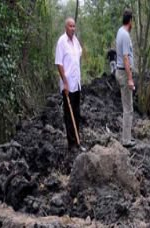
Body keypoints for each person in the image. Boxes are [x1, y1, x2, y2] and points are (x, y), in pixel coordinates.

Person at [55, 17, 86, 152]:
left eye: (74, 26)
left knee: (77, 112)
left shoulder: (75, 41)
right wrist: (65, 82)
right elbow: (59, 63)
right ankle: (71, 144)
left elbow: (79, 55)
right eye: (70, 26)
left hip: (76, 83)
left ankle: (77, 140)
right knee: (69, 114)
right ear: (65, 27)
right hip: (68, 85)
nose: (73, 28)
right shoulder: (62, 42)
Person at [115, 9, 136, 148]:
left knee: (128, 107)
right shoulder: (125, 35)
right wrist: (130, 78)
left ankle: (127, 137)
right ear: (130, 21)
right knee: (128, 109)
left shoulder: (120, 31)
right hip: (123, 73)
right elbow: (125, 58)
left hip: (121, 72)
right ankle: (126, 140)